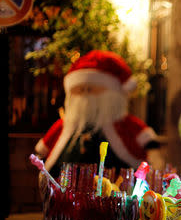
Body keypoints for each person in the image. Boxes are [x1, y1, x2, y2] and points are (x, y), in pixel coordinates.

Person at [34, 50, 164, 177]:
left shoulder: (125, 125)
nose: (85, 94)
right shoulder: (65, 125)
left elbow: (150, 144)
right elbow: (42, 150)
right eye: (80, 89)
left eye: (90, 89)